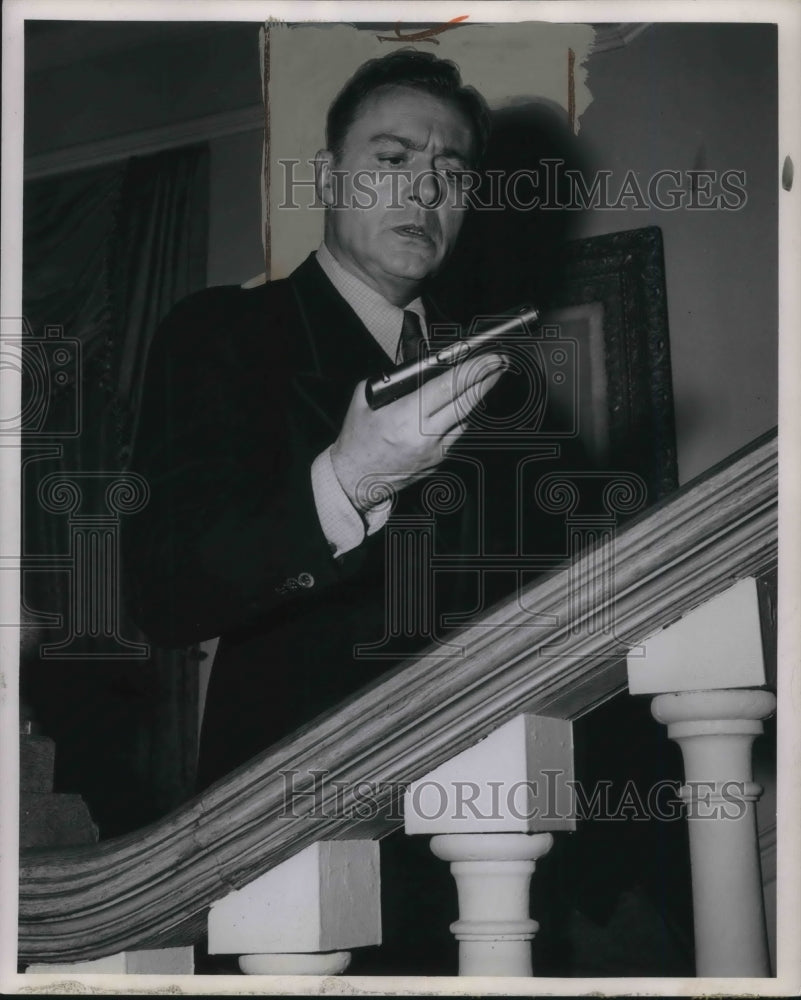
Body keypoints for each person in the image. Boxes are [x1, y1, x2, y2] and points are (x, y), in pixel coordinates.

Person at [125, 50, 546, 973]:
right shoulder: (224, 334)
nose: (424, 191)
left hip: (482, 857)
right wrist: (347, 482)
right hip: (292, 847)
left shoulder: (495, 381)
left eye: (449, 171)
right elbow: (162, 595)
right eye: (392, 159)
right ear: (326, 176)